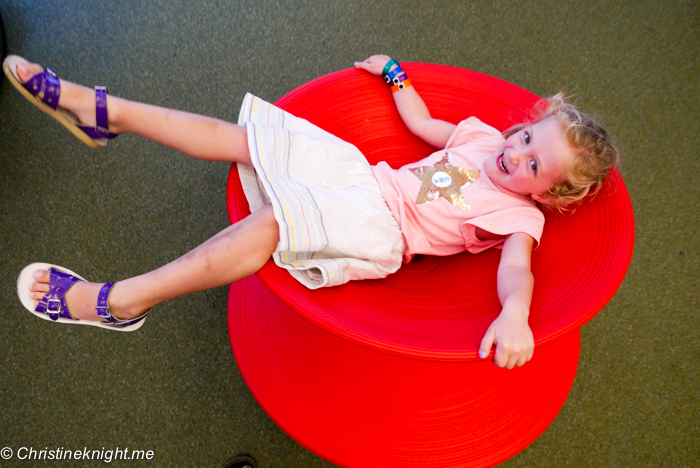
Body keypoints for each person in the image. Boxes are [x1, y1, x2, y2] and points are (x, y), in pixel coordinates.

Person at [7, 54, 618, 369]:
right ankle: (106, 113)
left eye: (537, 167)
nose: (520, 156)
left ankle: (120, 302)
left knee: (272, 224)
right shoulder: (483, 135)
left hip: (383, 232)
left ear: (548, 194)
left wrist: (517, 315)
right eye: (528, 139)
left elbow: (517, 272)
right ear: (523, 126)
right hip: (363, 178)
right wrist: (396, 77)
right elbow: (423, 124)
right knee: (250, 137)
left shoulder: (522, 218)